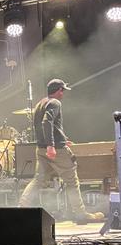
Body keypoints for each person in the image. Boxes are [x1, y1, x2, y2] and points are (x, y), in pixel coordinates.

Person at [19, 79, 104, 223]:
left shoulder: (40, 103)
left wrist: (61, 139)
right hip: (56, 150)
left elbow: (45, 126)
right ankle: (81, 214)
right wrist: (53, 145)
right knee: (72, 181)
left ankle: (22, 207)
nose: (63, 94)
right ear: (59, 90)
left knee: (38, 180)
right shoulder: (55, 103)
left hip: (41, 149)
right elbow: (47, 122)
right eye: (62, 90)